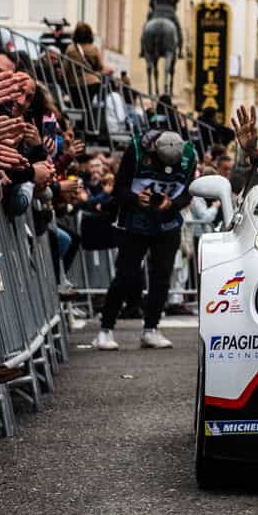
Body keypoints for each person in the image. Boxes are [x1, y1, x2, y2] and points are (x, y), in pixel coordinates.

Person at [94, 130, 197, 351]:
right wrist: (135, 198)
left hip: (167, 224)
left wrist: (172, 203)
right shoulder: (137, 150)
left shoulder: (190, 155)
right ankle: (105, 329)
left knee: (162, 276)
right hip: (135, 222)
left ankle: (151, 328)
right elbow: (119, 189)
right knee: (126, 274)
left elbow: (189, 192)